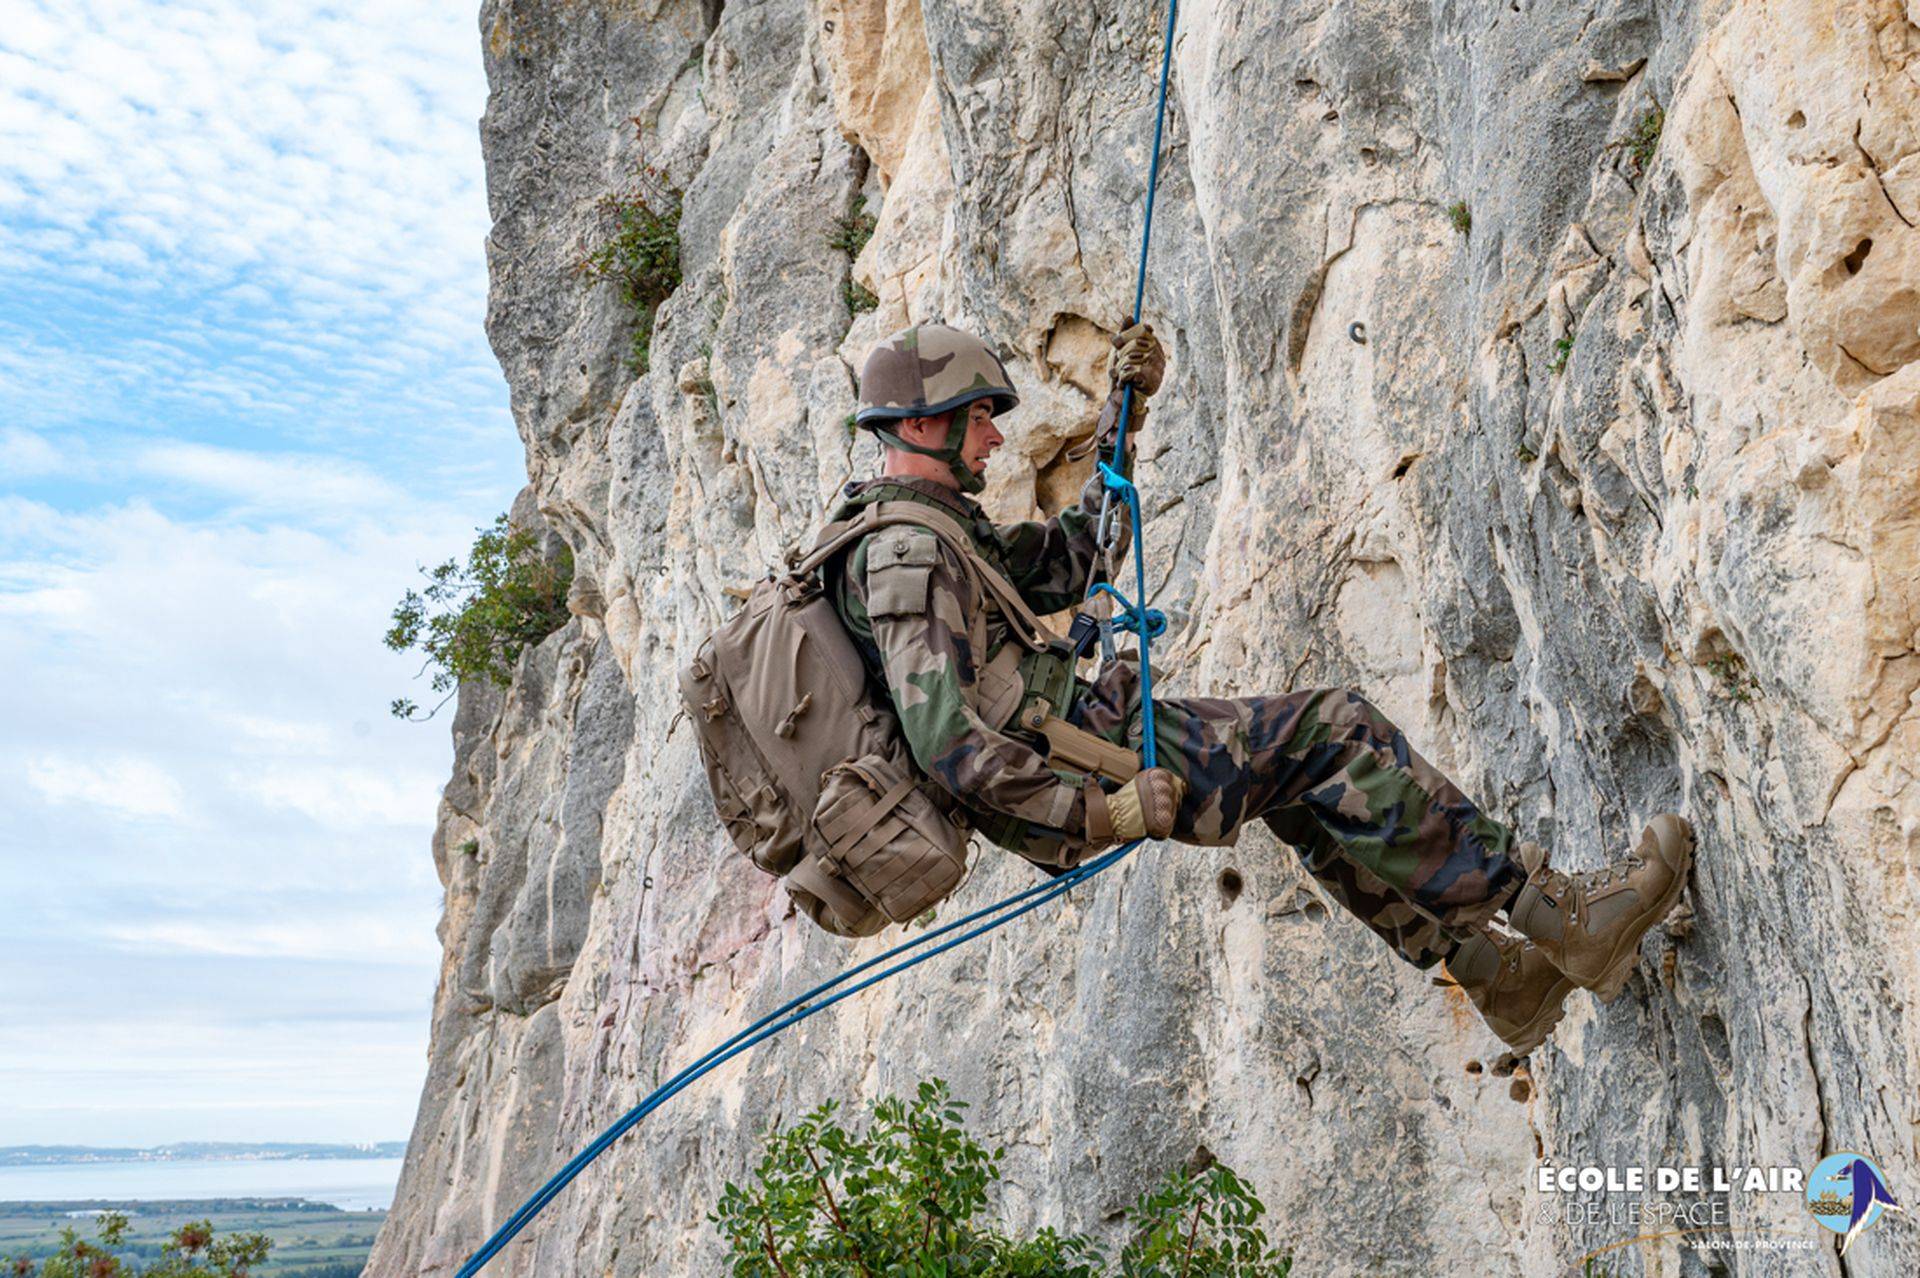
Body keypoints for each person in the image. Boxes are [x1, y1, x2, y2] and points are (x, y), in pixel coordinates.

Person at [822, 322, 1693, 1054]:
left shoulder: (933, 529)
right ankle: (1560, 918)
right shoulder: (906, 554)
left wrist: (1123, 424)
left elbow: (1075, 560)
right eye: (978, 417)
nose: (996, 438)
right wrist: (1100, 814)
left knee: (1300, 786)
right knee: (1334, 731)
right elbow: (950, 748)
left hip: (1079, 751)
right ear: (921, 425)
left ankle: (1499, 979)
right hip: (1079, 777)